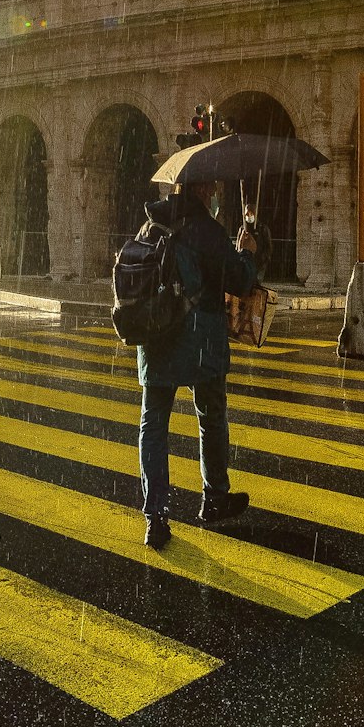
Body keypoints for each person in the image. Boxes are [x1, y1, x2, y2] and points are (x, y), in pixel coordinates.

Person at [137, 179, 258, 551]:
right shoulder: (207, 229)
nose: (216, 193)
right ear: (204, 192)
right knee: (210, 416)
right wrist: (248, 252)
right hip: (200, 338)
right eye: (214, 188)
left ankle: (155, 515)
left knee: (153, 423)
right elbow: (240, 281)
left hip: (155, 334)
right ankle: (214, 498)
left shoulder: (151, 224)